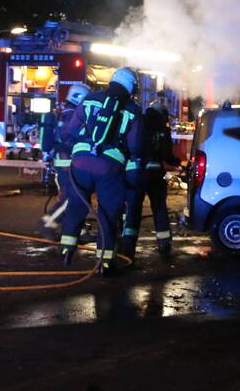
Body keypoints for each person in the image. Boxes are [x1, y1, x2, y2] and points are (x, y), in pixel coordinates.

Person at [59, 68, 141, 276]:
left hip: (80, 164)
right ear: (131, 86)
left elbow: (71, 130)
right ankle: (104, 263)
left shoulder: (90, 99)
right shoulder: (132, 109)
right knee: (108, 212)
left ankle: (66, 250)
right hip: (110, 169)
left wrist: (79, 151)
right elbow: (136, 145)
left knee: (76, 205)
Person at [123, 101, 182, 258]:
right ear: (162, 114)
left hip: (135, 172)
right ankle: (164, 245)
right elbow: (166, 155)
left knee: (133, 210)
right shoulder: (163, 128)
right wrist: (177, 163)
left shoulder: (138, 122)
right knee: (159, 208)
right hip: (155, 174)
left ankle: (128, 248)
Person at [39, 83, 90, 239]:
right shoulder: (71, 117)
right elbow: (68, 143)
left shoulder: (66, 113)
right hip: (67, 167)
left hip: (66, 166)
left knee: (79, 199)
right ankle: (48, 224)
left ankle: (77, 230)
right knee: (71, 200)